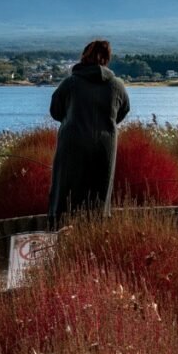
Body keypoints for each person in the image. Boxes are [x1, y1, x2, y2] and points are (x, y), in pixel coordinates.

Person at [48, 39, 131, 225]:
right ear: (107, 59)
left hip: (72, 144)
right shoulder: (117, 86)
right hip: (105, 146)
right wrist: (107, 125)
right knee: (99, 196)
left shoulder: (71, 83)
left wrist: (70, 120)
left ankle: (62, 233)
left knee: (66, 193)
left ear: (84, 57)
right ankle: (95, 235)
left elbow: (55, 110)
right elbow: (123, 110)